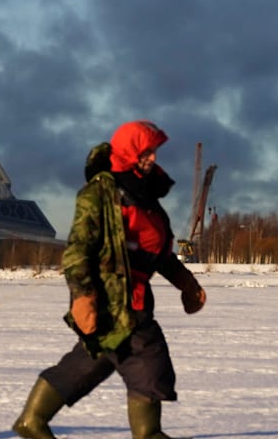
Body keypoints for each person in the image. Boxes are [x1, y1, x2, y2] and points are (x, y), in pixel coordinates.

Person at [12, 120, 207, 439]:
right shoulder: (100, 194)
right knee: (148, 359)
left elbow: (157, 252)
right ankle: (149, 434)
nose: (153, 159)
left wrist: (186, 283)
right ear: (130, 151)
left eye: (155, 152)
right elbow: (78, 250)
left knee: (94, 359)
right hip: (114, 301)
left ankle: (32, 421)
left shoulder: (145, 196)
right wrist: (82, 296)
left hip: (136, 299)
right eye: (147, 152)